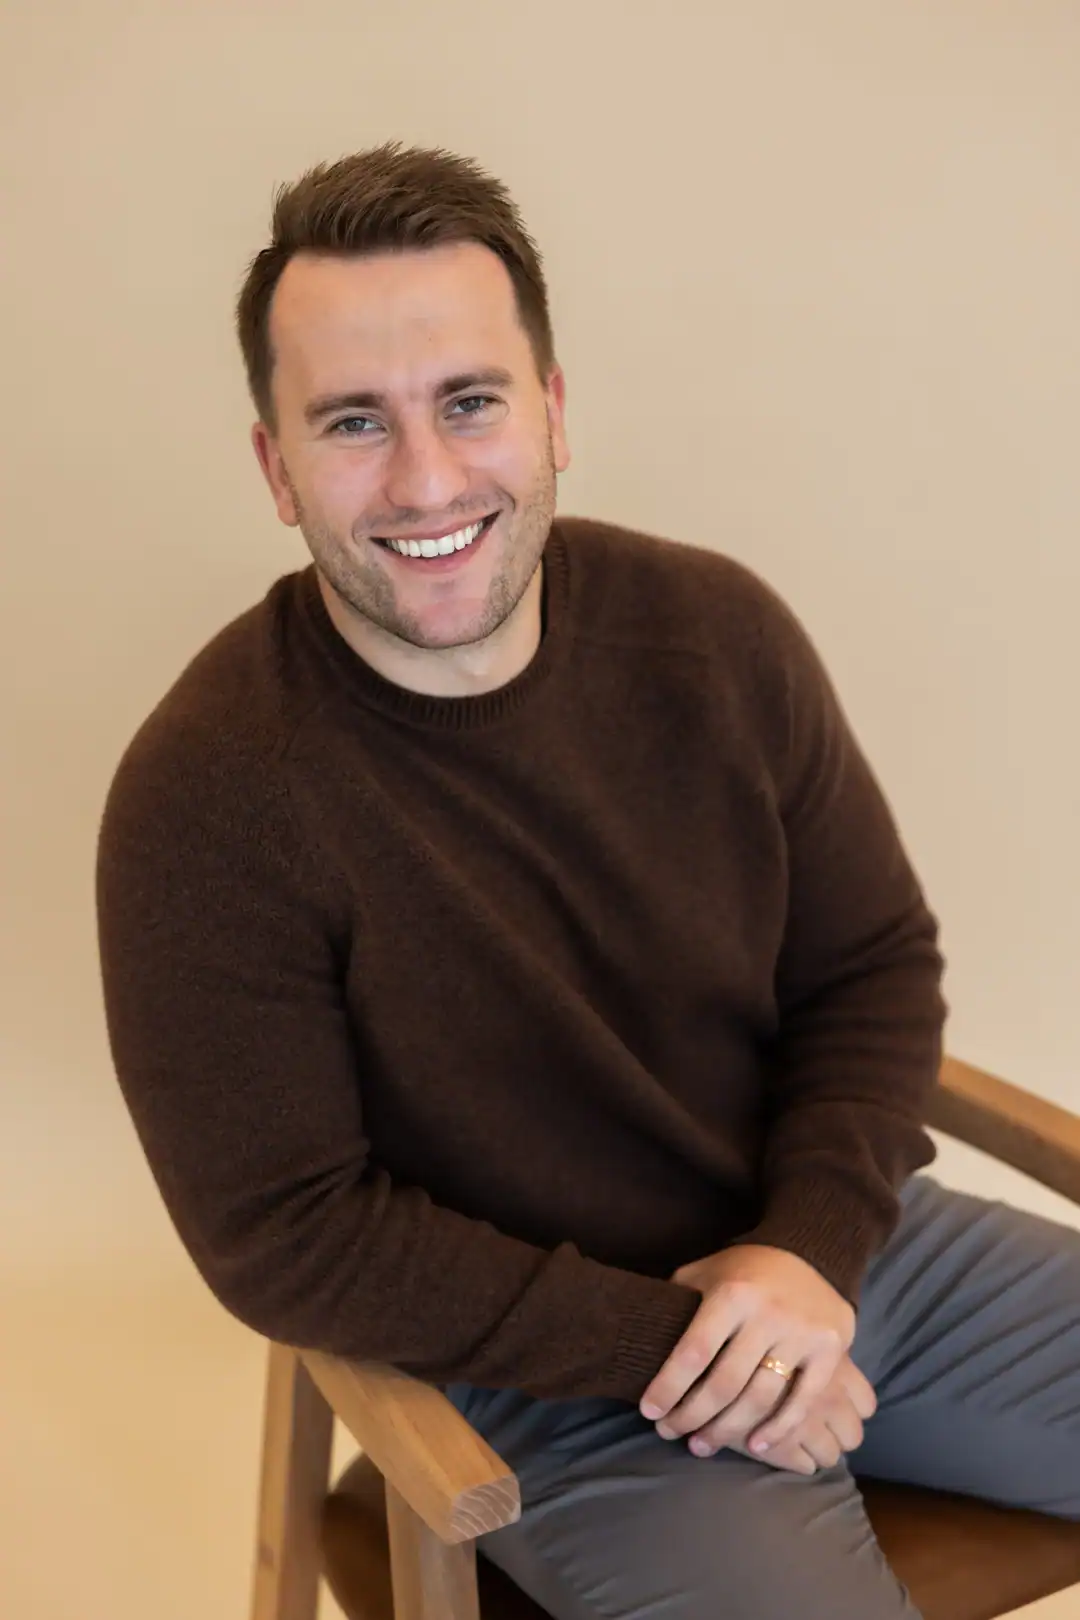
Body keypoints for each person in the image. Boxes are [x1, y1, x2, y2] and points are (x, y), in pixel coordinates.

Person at [95, 143, 1080, 1618]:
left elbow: (870, 969)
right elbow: (289, 1230)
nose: (428, 478)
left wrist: (806, 1249)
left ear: (553, 412)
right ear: (276, 469)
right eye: (354, 422)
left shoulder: (718, 637)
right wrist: (670, 1346)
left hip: (840, 1256)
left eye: (470, 401)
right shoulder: (210, 795)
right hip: (534, 1369)